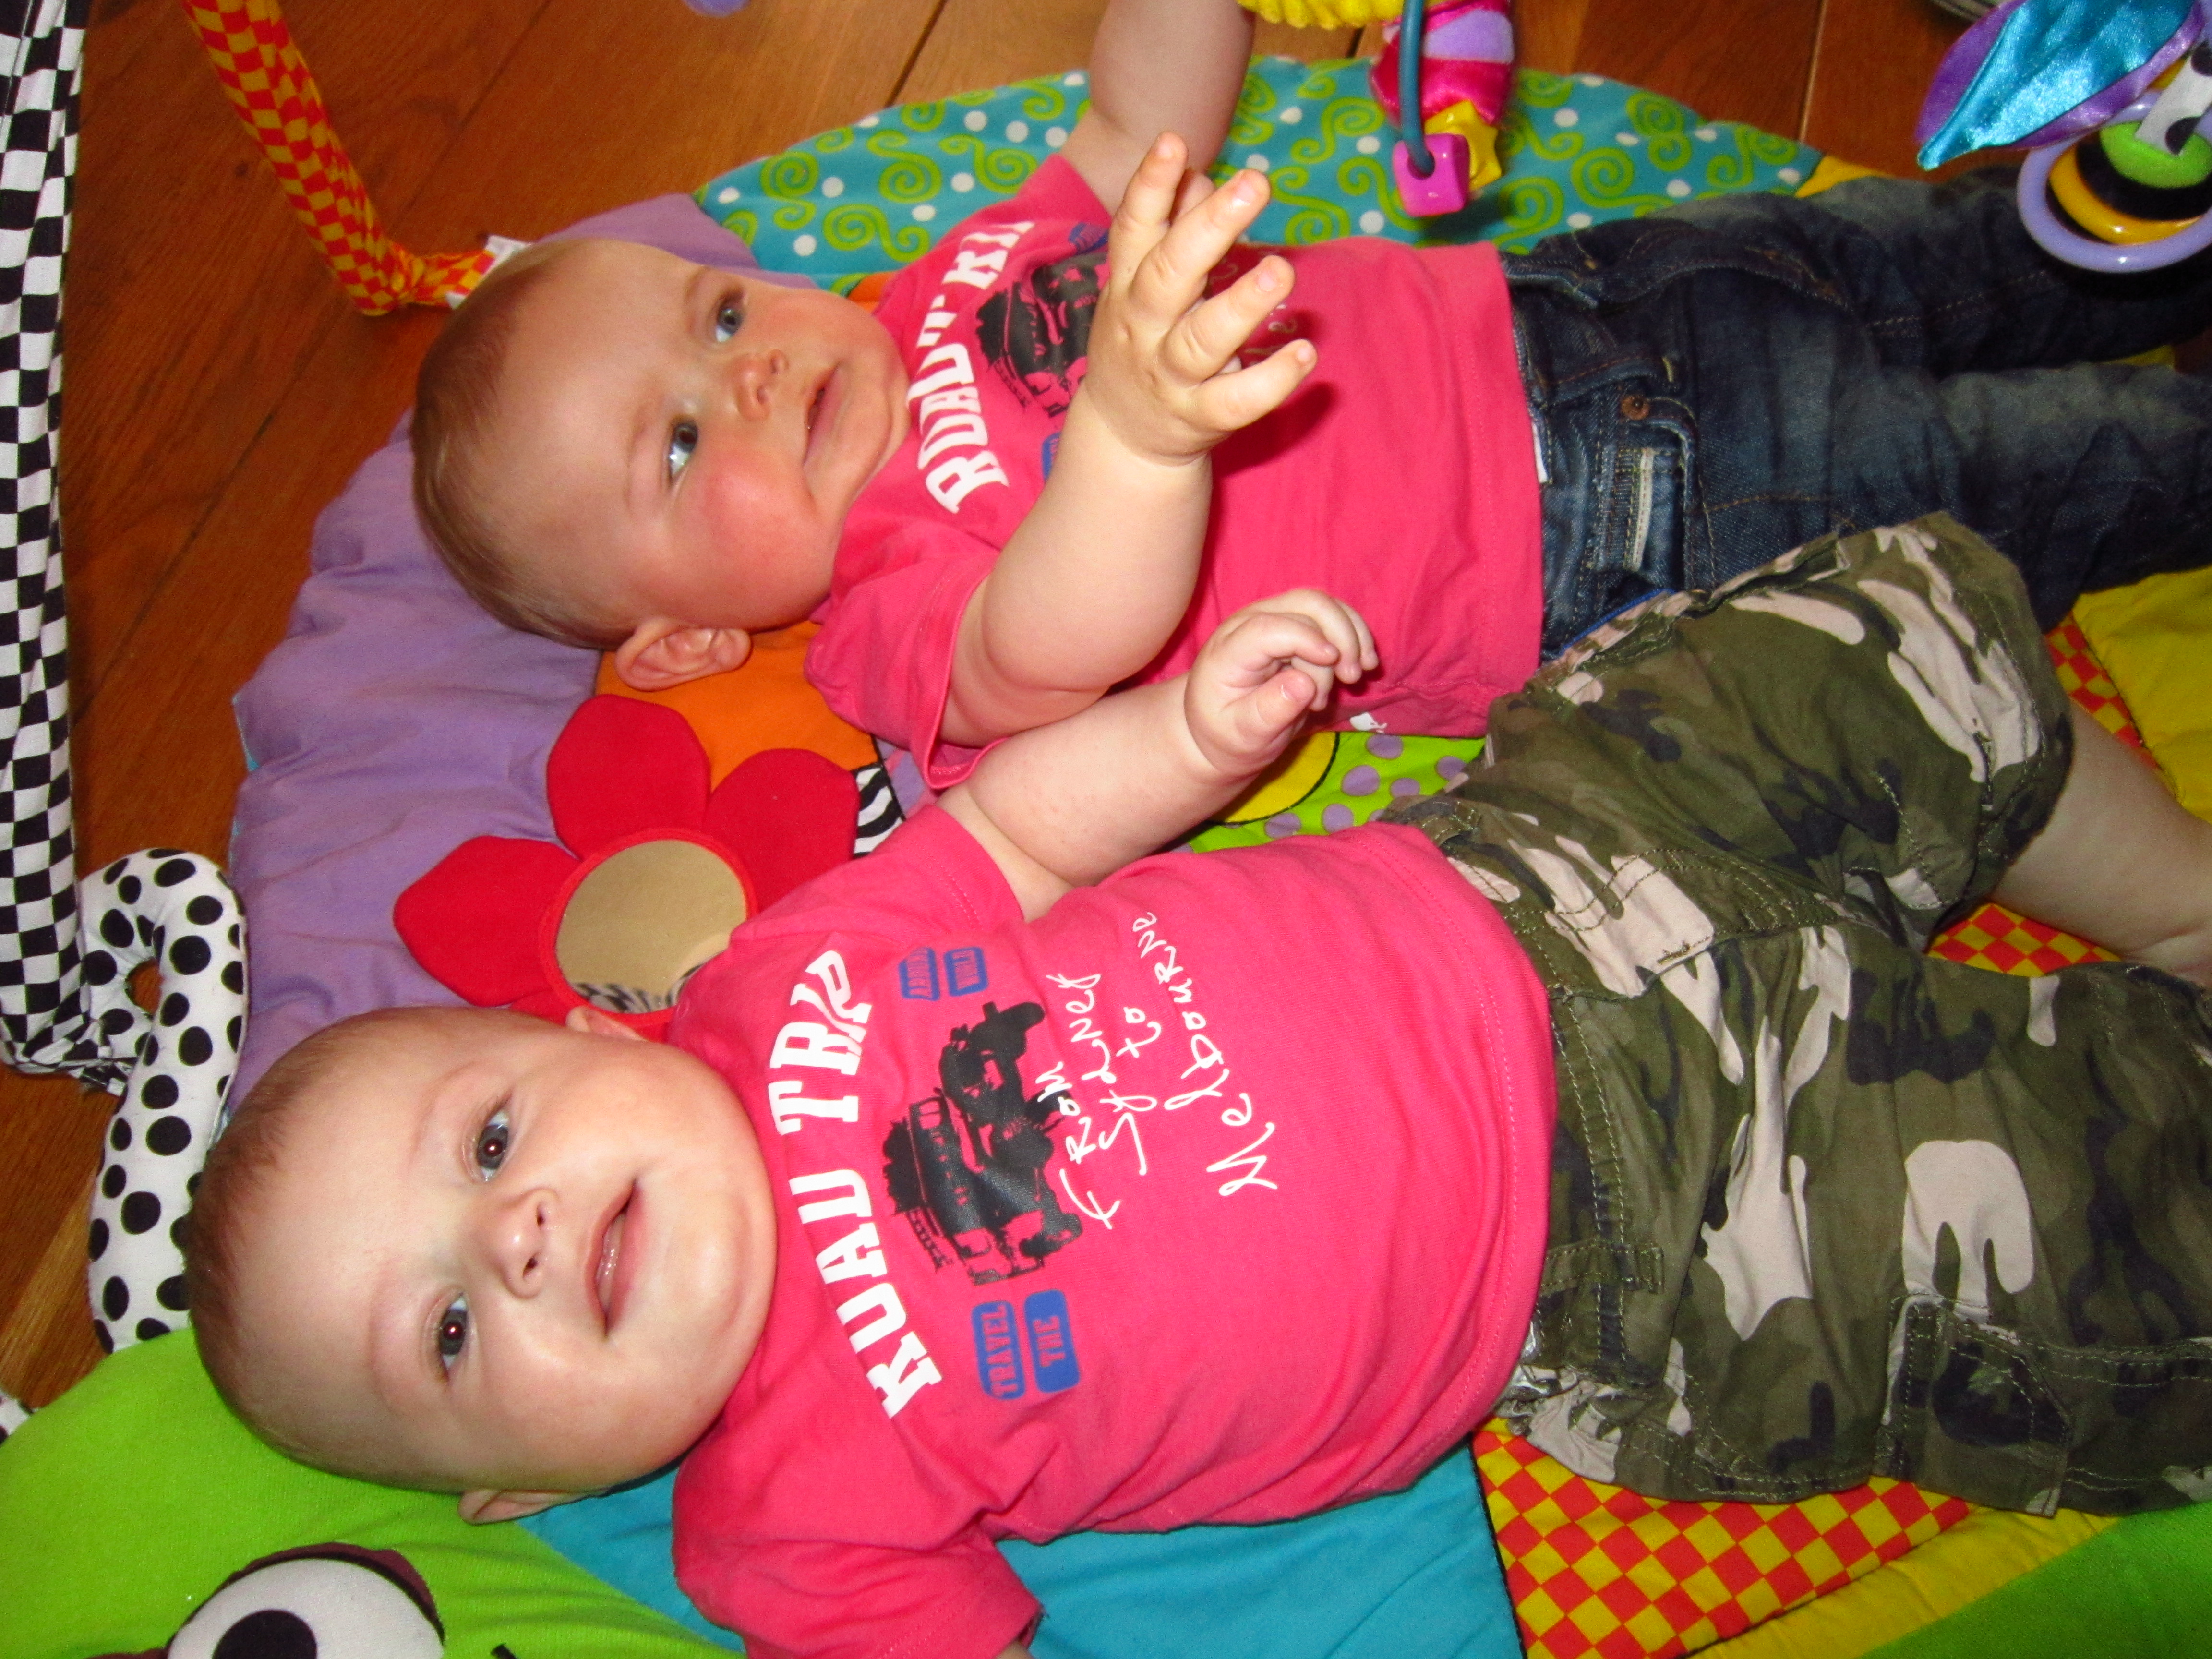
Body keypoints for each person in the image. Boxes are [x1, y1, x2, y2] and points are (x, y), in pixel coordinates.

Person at [189, 515, 2212, 1659]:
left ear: (597, 1034)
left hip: (1533, 855)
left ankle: (2184, 904)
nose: (518, 1234)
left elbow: (1012, 838)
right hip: (1657, 1245)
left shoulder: (777, 981)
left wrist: (1184, 734)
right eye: (449, 1331)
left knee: (1893, 631)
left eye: (489, 1141)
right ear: (525, 1490)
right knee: (2119, 1242)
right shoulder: (784, 1533)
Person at [410, 0, 2212, 791]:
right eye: (677, 444)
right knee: (2024, 469)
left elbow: (1135, 125)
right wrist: (1129, 438)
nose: (745, 372)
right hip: (1604, 530)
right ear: (679, 639)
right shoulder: (883, 624)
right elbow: (1058, 643)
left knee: (1978, 243)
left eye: (719, 311)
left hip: (1574, 292)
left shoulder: (943, 277)